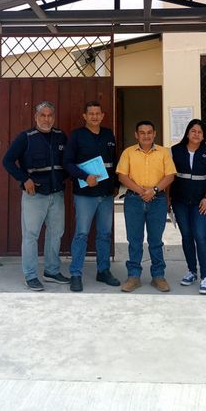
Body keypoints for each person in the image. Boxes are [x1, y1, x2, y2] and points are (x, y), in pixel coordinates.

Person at [2, 101, 70, 291]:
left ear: (54, 117)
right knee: (31, 236)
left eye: (50, 115)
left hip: (56, 194)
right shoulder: (26, 137)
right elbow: (7, 161)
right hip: (34, 195)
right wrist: (24, 179)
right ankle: (30, 275)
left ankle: (51, 271)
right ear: (36, 117)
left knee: (56, 234)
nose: (46, 119)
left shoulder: (60, 136)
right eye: (43, 115)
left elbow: (68, 161)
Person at [63, 100, 120, 292]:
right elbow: (68, 163)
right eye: (91, 114)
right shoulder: (77, 136)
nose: (95, 116)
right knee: (81, 233)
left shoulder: (109, 135)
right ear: (85, 116)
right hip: (85, 194)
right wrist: (84, 176)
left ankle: (103, 271)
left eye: (98, 113)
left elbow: (114, 162)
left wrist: (116, 185)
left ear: (102, 116)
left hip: (106, 194)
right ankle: (76, 274)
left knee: (104, 234)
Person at [116, 120, 176, 292]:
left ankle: (158, 276)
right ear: (136, 135)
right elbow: (122, 176)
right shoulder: (128, 153)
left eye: (149, 132)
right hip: (133, 200)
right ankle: (133, 276)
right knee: (134, 240)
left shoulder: (163, 153)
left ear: (154, 134)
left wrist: (154, 190)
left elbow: (170, 176)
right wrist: (142, 191)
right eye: (142, 132)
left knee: (155, 241)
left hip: (157, 200)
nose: (146, 136)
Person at [170, 119, 206, 295]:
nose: (196, 134)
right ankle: (191, 271)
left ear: (203, 135)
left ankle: (205, 277)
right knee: (186, 236)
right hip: (180, 201)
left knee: (201, 236)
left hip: (201, 202)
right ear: (187, 133)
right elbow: (169, 176)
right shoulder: (174, 150)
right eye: (193, 131)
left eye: (199, 132)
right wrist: (168, 199)